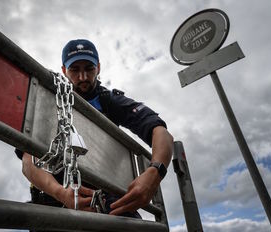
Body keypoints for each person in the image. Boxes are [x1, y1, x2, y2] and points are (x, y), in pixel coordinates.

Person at [16, 39, 173, 217]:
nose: (82, 77)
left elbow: (161, 132)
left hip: (108, 202)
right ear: (63, 70)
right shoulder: (49, 98)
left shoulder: (110, 101)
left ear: (98, 68)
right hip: (56, 203)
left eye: (89, 69)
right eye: (75, 69)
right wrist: (61, 193)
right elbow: (28, 162)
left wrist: (155, 172)